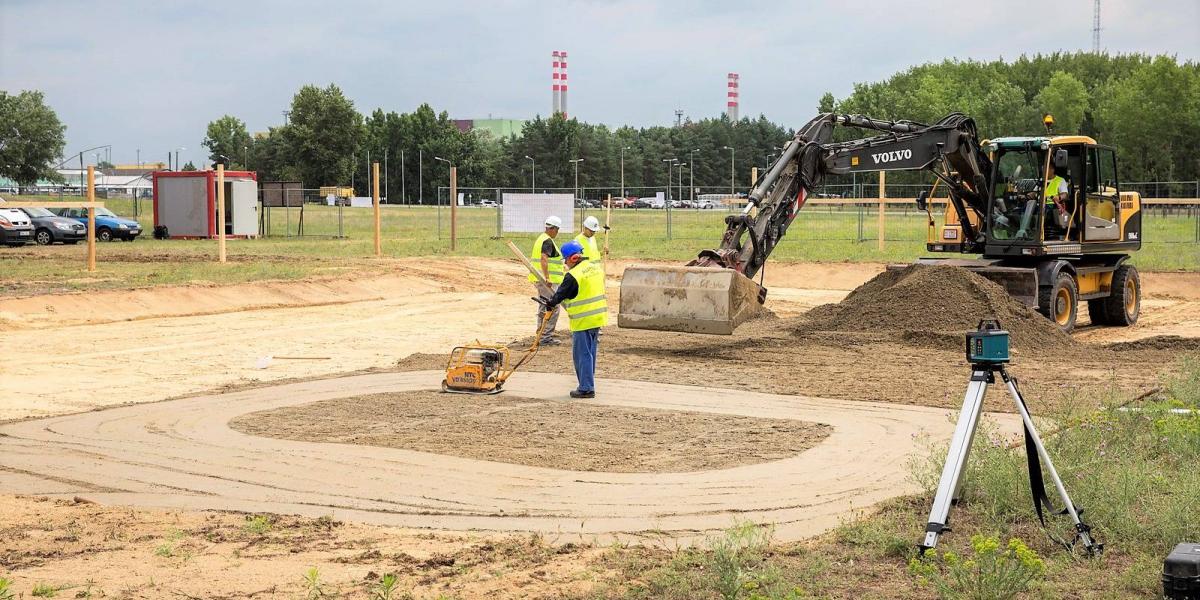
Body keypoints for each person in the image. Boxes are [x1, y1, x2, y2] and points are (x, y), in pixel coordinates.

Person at [542, 240, 608, 398]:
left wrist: (550, 303)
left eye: (565, 259)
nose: (565, 263)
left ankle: (586, 388)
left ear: (572, 258)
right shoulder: (595, 268)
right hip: (598, 317)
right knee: (590, 353)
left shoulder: (573, 275)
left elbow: (561, 294)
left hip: (583, 320)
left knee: (581, 355)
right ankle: (588, 382)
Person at [529, 216, 564, 345]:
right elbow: (544, 258)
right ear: (553, 229)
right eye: (557, 229)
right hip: (547, 281)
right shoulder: (547, 241)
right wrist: (547, 277)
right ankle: (545, 337)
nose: (557, 232)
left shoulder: (541, 239)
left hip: (542, 279)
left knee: (545, 305)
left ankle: (541, 334)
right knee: (552, 306)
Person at [1043, 162, 1069, 239]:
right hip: (1041, 205)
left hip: (1052, 206)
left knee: (1045, 211)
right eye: (1043, 168)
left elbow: (1065, 194)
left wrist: (1059, 197)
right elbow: (1036, 193)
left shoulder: (1060, 180)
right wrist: (1031, 194)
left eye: (1046, 168)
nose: (1043, 170)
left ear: (1052, 170)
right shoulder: (1042, 180)